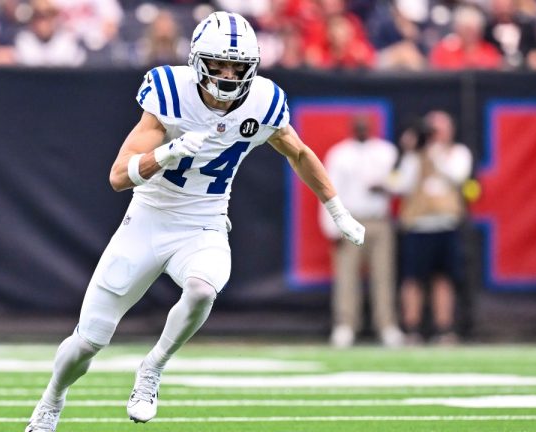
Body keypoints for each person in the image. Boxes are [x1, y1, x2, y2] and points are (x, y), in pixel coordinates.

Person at [25, 11, 366, 432]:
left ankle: (152, 368)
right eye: (218, 64)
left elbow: (297, 152)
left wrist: (337, 209)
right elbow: (118, 176)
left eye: (236, 67)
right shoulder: (170, 92)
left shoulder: (265, 100)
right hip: (149, 219)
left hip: (204, 222)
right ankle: (52, 398)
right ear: (197, 62)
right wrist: (167, 153)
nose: (227, 75)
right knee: (88, 341)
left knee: (203, 288)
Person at [319, 115, 403, 348]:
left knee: (384, 274)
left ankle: (386, 325)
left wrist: (386, 186)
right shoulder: (340, 154)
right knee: (346, 276)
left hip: (379, 219)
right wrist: (332, 227)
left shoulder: (386, 152)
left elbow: (400, 181)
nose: (362, 128)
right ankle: (346, 325)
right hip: (350, 218)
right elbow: (328, 190)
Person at [391, 111, 472, 345]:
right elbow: (401, 185)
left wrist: (434, 153)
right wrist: (411, 152)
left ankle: (443, 328)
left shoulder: (457, 153)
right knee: (413, 279)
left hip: (446, 223)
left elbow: (457, 176)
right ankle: (412, 327)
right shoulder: (415, 156)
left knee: (444, 278)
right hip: (418, 224)